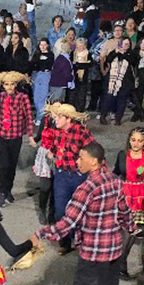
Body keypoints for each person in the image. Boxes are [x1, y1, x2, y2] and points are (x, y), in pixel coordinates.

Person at [36, 141, 138, 285]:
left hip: (93, 253)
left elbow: (68, 223)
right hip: (114, 250)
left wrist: (41, 234)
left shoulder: (86, 188)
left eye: (81, 158)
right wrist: (132, 228)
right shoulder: (115, 181)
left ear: (93, 161)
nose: (77, 161)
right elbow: (124, 212)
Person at [32, 103, 94, 243]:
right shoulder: (57, 132)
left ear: (68, 119)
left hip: (78, 176)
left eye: (59, 117)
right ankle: (65, 241)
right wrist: (52, 153)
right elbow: (55, 149)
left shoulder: (81, 132)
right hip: (61, 174)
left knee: (78, 210)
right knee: (60, 211)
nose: (55, 120)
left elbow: (93, 151)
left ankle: (78, 238)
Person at [114, 127, 144, 279]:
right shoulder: (122, 155)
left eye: (139, 141)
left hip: (139, 197)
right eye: (133, 140)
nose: (135, 144)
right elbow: (116, 172)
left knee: (130, 231)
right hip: (123, 195)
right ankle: (119, 264)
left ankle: (120, 264)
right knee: (123, 231)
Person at [0, 71, 32, 205]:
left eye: (12, 84)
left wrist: (30, 135)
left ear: (16, 84)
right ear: (3, 85)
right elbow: (2, 112)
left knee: (12, 165)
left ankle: (8, 190)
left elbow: (28, 117)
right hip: (2, 134)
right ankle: (2, 192)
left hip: (16, 135)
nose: (9, 87)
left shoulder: (22, 97)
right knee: (4, 164)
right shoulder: (2, 96)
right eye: (6, 84)